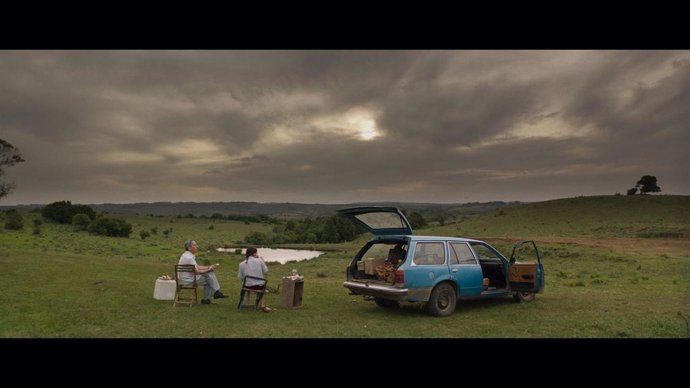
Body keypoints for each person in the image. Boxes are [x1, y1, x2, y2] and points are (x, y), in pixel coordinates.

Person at [178, 239, 229, 305]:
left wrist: (209, 267)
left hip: (185, 278)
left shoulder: (187, 255)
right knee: (209, 278)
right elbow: (197, 271)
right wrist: (209, 269)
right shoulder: (189, 258)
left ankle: (210, 297)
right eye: (195, 245)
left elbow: (197, 266)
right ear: (189, 247)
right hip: (188, 280)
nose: (197, 246)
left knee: (209, 276)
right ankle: (214, 293)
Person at [238, 246, 271, 312]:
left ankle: (248, 303)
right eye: (256, 253)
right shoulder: (260, 260)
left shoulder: (241, 264)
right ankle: (262, 304)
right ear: (254, 254)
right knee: (261, 284)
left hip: (247, 285)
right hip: (259, 286)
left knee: (247, 283)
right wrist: (263, 261)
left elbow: (241, 277)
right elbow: (266, 271)